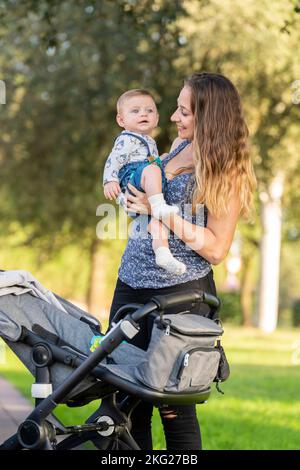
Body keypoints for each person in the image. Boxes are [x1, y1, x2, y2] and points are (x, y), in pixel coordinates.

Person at [108, 72, 257, 450]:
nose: (174, 117)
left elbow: (216, 249)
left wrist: (159, 210)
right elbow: (145, 199)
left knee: (174, 405)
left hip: (179, 295)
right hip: (131, 284)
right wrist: (133, 198)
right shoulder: (176, 146)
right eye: (176, 108)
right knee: (125, 403)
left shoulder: (227, 170)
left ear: (208, 117)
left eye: (184, 111)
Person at [103, 89, 186, 275]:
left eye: (149, 110)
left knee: (157, 224)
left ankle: (163, 254)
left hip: (144, 188)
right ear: (121, 120)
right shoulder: (126, 139)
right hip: (133, 178)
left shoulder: (148, 141)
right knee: (152, 168)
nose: (143, 114)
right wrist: (109, 180)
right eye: (135, 111)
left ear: (156, 119)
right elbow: (113, 160)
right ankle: (158, 205)